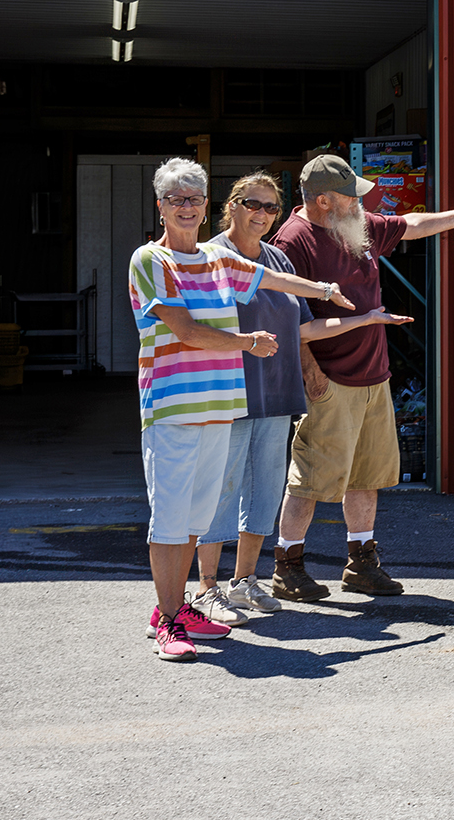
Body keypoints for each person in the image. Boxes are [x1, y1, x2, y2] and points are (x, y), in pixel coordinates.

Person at [128, 158, 355, 661]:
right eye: (175, 199)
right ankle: (167, 620)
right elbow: (185, 331)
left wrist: (322, 290)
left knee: (194, 521)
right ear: (160, 205)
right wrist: (245, 342)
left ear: (206, 204)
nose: (186, 207)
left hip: (218, 410)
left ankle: (177, 609)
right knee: (168, 521)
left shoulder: (214, 259)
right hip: (173, 411)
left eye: (193, 198)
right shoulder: (151, 260)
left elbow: (269, 279)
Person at [188, 173, 414, 623]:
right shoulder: (211, 257)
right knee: (221, 491)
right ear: (232, 206)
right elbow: (198, 327)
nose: (262, 214)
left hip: (274, 392)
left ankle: (245, 580)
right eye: (253, 204)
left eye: (271, 207)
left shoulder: (275, 260)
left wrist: (365, 320)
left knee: (264, 492)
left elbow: (304, 329)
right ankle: (207, 588)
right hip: (230, 395)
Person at [271, 155, 454, 600]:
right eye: (351, 196)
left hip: (374, 376)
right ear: (322, 201)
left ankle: (361, 563)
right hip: (329, 380)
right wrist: (310, 373)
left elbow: (409, 224)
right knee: (311, 478)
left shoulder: (356, 224)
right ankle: (287, 567)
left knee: (366, 476)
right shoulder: (292, 242)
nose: (361, 203)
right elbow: (286, 322)